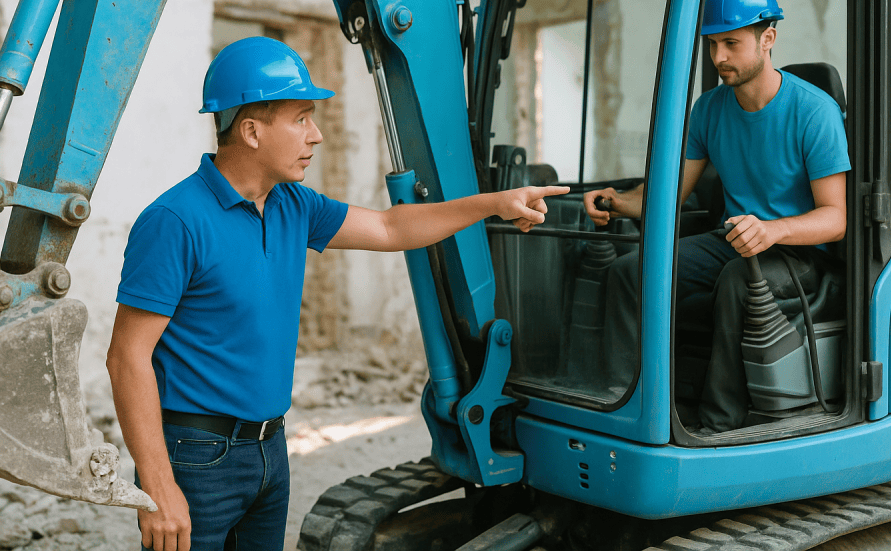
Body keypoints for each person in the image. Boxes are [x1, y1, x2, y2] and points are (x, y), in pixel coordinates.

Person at [106, 36, 568, 551]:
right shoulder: (175, 221)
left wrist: (492, 204)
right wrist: (157, 485)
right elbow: (128, 356)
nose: (317, 134)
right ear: (252, 130)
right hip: (197, 457)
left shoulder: (292, 205)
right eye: (301, 117)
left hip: (270, 448)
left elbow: (392, 229)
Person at [583, 0, 849, 435]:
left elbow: (836, 219)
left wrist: (772, 231)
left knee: (737, 281)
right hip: (735, 239)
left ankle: (717, 426)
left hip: (800, 252)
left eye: (731, 43)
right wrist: (616, 202)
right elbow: (668, 195)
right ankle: (627, 403)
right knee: (632, 271)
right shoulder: (709, 109)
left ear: (768, 39)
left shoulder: (815, 111)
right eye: (712, 44)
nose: (718, 57)